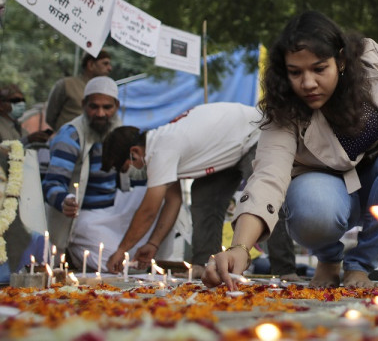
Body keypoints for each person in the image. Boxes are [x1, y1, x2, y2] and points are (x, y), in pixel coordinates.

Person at [202, 11, 378, 290]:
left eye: (319, 69)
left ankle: (361, 264)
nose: (307, 83)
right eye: (295, 72)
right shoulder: (284, 110)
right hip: (323, 197)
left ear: (341, 60)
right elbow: (268, 178)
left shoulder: (371, 57)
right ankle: (329, 259)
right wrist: (241, 248)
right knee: (312, 206)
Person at [101, 102, 263, 275]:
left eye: (125, 168)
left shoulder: (160, 150)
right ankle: (203, 265)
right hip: (232, 147)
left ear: (134, 152)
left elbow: (148, 211)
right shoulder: (162, 147)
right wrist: (153, 244)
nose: (130, 173)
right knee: (204, 196)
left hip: (254, 134)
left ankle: (284, 269)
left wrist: (121, 251)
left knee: (263, 198)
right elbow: (173, 201)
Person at [42, 76, 151, 270]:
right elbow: (51, 184)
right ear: (84, 105)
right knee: (111, 263)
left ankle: (150, 257)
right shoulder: (71, 134)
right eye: (94, 107)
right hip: (85, 216)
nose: (100, 113)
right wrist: (64, 200)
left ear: (116, 106)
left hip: (115, 208)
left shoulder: (120, 131)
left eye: (107, 107)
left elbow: (134, 178)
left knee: (162, 198)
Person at [46, 50, 112, 132]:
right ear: (90, 65)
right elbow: (50, 117)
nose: (110, 68)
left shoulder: (106, 91)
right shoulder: (66, 85)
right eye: (105, 63)